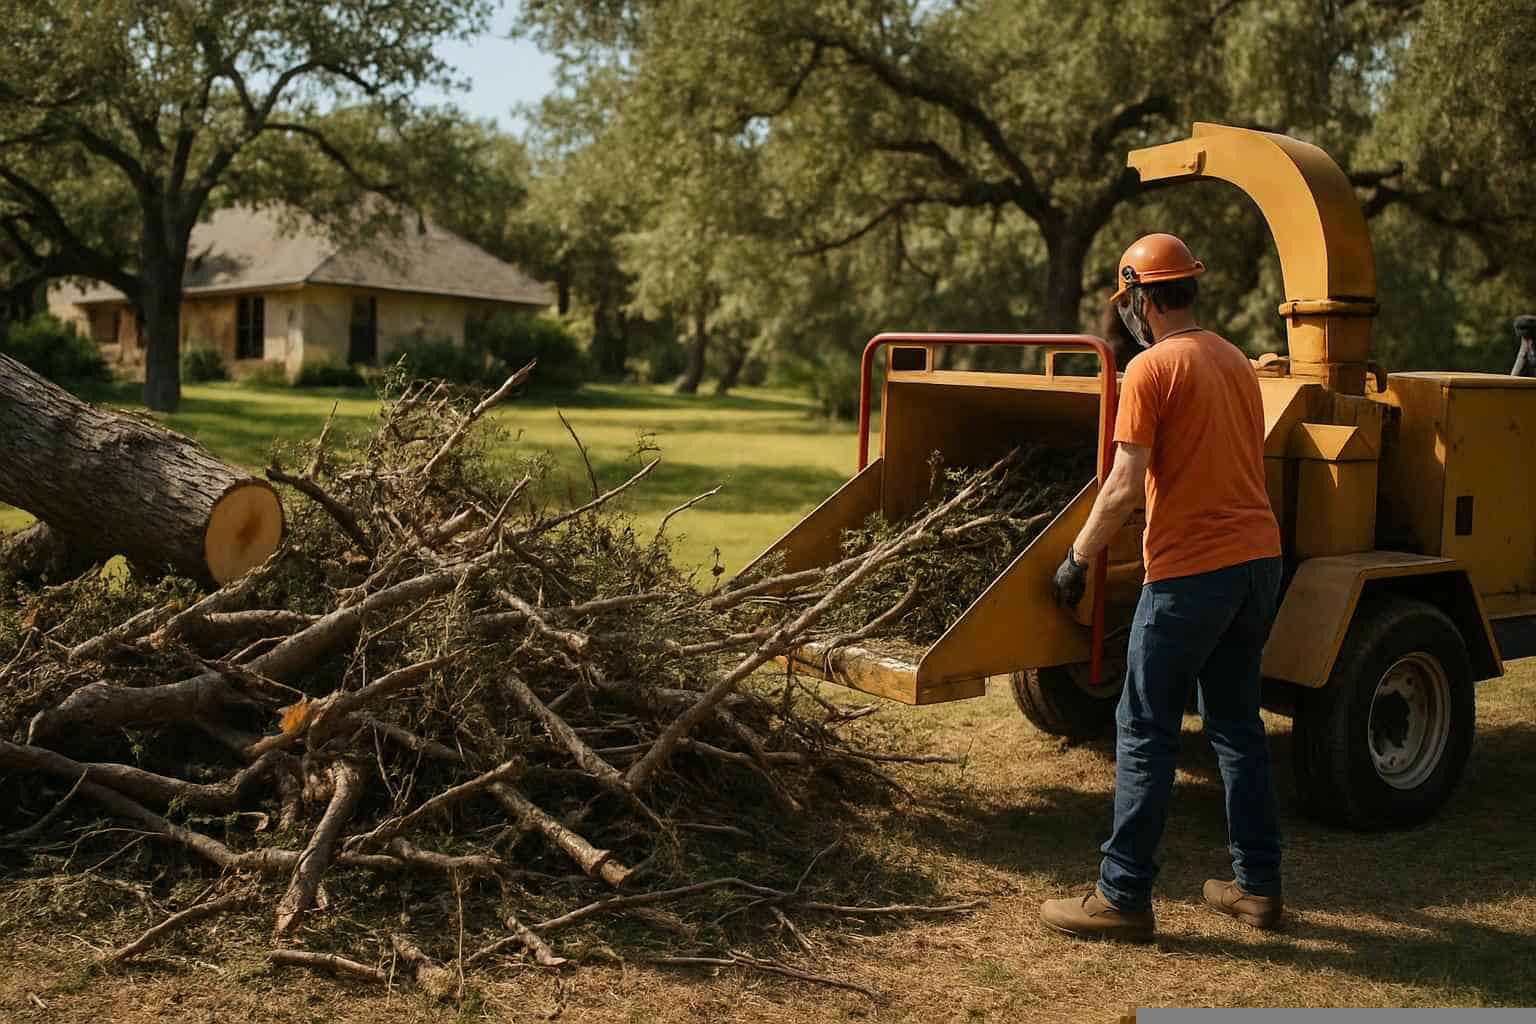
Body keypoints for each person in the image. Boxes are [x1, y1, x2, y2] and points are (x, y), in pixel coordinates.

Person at [1038, 233, 1285, 942]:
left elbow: (1122, 484)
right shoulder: (1235, 360)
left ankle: (1121, 896)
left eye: (1129, 302)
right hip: (1257, 563)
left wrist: (1078, 557)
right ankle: (1258, 889)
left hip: (1191, 573)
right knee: (1238, 728)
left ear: (1143, 299)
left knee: (1144, 729)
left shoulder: (1151, 368)